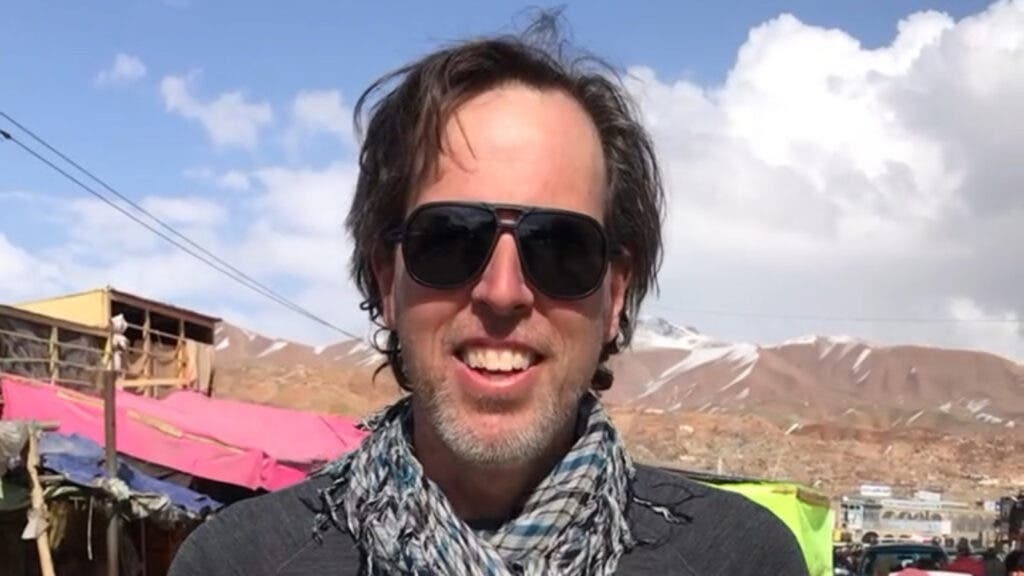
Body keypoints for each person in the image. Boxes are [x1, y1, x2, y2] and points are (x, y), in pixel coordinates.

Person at [169, 15, 808, 576]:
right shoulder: (237, 561)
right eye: (449, 239)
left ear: (615, 295)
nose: (502, 292)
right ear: (388, 283)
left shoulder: (743, 558)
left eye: (561, 247)